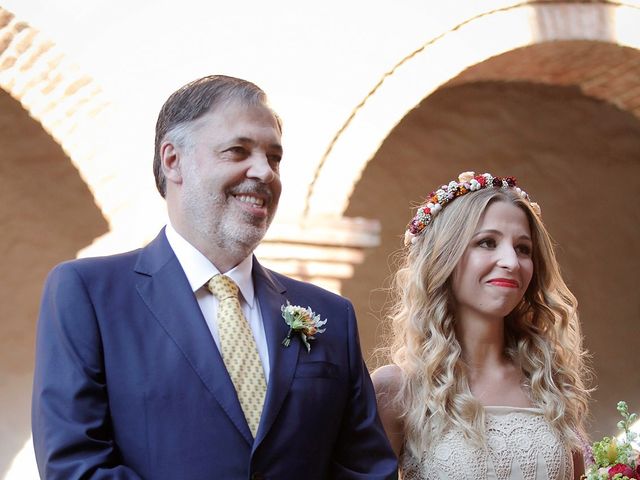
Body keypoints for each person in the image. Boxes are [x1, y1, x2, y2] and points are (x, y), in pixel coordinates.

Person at [32, 75, 397, 480]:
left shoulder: (331, 315)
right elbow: (76, 467)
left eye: (274, 158)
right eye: (238, 151)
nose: (264, 172)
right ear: (173, 161)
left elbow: (366, 470)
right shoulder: (89, 295)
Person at [372, 172, 590, 479]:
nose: (511, 262)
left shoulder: (549, 383)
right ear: (443, 257)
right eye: (487, 242)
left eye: (523, 248)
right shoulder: (396, 390)